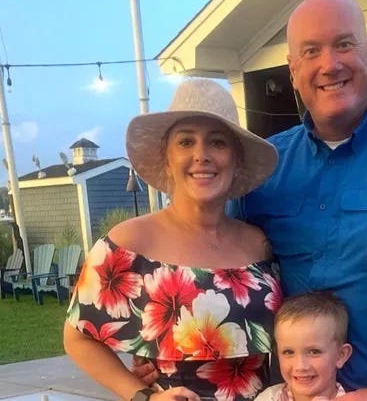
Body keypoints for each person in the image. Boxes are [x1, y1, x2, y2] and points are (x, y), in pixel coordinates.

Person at [136, 0, 367, 399]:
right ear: (293, 70)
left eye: (344, 44)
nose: (330, 64)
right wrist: (164, 350)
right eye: (311, 51)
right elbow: (218, 275)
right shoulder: (266, 169)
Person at [63, 78, 282, 401]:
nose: (201, 155)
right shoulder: (128, 243)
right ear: (167, 159)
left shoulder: (259, 244)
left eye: (217, 142)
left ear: (236, 161)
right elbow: (78, 338)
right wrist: (141, 395)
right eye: (186, 142)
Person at [255, 292, 352, 401]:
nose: (300, 366)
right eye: (288, 352)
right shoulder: (267, 397)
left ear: (340, 355)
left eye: (314, 352)